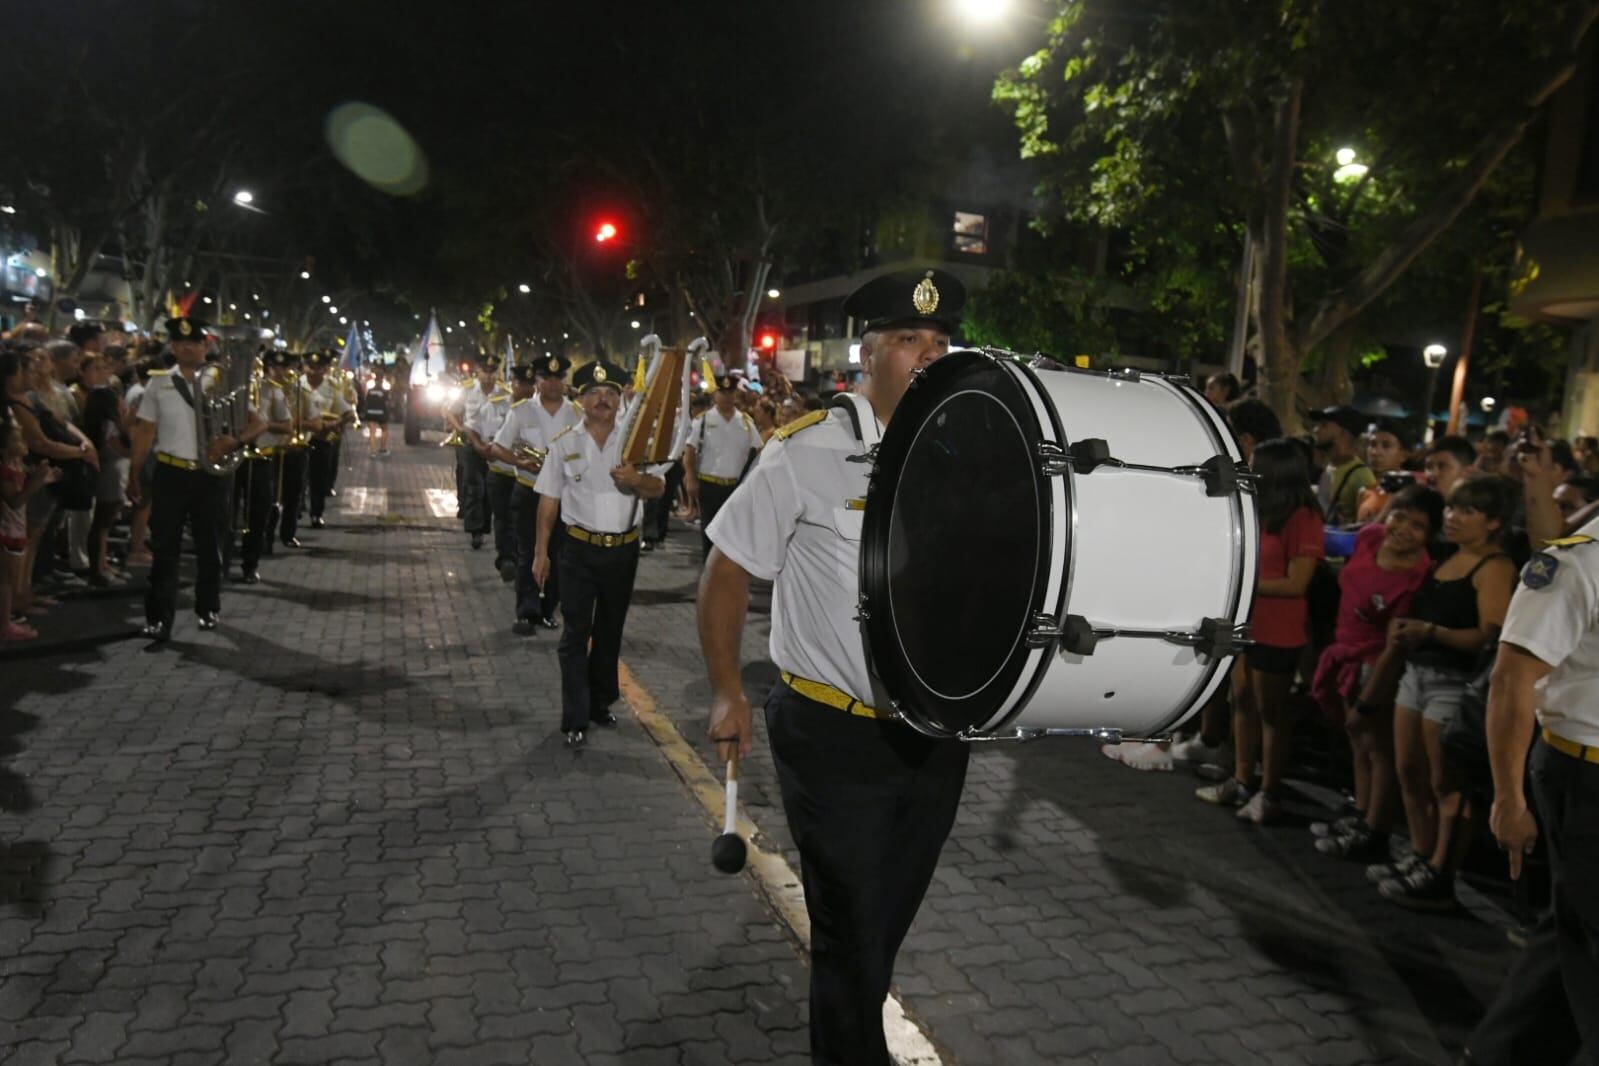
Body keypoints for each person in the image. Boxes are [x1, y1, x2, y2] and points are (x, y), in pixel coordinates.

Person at [699, 268, 970, 1064]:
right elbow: (725, 571)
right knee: (849, 925)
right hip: (831, 733)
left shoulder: (962, 455)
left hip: (933, 734)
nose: (928, 355)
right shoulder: (805, 451)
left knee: (883, 919)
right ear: (867, 351)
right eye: (908, 340)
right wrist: (726, 692)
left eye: (940, 341)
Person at [1479, 513, 1599, 1064]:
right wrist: (1508, 800)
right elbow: (1511, 680)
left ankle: (1501, 1052)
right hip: (1584, 776)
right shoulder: (1580, 560)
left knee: (1570, 935)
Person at [1375, 475, 1518, 909]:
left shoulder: (1494, 567)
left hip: (1453, 683)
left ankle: (1441, 871)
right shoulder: (1446, 555)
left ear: (1494, 522)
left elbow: (1489, 638)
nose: (1453, 518)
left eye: (1467, 511)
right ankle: (1420, 854)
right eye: (1452, 509)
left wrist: (1431, 630)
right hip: (1418, 672)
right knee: (1409, 771)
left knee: (1446, 783)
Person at [533, 359, 666, 747]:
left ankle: (599, 701)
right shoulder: (565, 444)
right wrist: (541, 553)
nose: (603, 400)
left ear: (620, 395)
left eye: (610, 393)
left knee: (610, 630)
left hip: (622, 552)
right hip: (577, 550)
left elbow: (657, 488)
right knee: (576, 632)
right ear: (582, 398)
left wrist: (636, 479)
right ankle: (574, 716)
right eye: (594, 393)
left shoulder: (637, 440)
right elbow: (548, 503)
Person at [1196, 437, 1324, 823]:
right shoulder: (1258, 509)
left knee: (1271, 712)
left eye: (1254, 462)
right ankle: (1240, 777)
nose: (1247, 466)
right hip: (1246, 621)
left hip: (1278, 628)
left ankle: (1269, 791)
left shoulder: (1304, 516)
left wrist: (1244, 581)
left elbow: (1297, 582)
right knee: (1242, 700)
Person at [1311, 486, 1441, 859]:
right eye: (1399, 515)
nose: (1402, 528)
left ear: (1431, 534)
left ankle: (1375, 830)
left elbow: (1396, 642)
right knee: (1358, 742)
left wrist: (1372, 696)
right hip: (1343, 655)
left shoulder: (1420, 576)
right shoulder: (1370, 537)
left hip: (1376, 666)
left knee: (1378, 748)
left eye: (1418, 526)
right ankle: (1360, 813)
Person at [127, 318, 263, 641]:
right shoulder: (158, 384)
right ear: (172, 347)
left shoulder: (222, 380)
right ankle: (159, 618)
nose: (187, 347)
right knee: (164, 550)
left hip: (211, 475)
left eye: (194, 342)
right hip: (170, 472)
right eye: (180, 342)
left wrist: (235, 441)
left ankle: (208, 608)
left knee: (210, 547)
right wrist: (134, 473)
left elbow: (259, 422)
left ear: (205, 346)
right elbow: (145, 431)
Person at [495, 354, 581, 634]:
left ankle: (548, 610)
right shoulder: (521, 411)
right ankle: (527, 611)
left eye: (558, 378)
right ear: (538, 381)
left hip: (564, 495)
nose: (553, 384)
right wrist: (519, 462)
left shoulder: (577, 413)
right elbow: (498, 447)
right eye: (546, 378)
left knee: (559, 554)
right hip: (530, 490)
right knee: (528, 551)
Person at [683, 374, 763, 559]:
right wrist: (691, 478)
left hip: (735, 487)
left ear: (735, 395)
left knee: (732, 532)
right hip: (709, 483)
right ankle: (708, 571)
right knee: (709, 529)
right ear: (715, 394)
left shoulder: (745, 422)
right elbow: (690, 451)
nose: (727, 397)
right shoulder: (702, 420)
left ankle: (725, 574)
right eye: (722, 392)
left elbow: (759, 451)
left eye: (730, 393)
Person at [1, 415, 60, 640]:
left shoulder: (16, 466)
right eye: (17, 439)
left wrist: (43, 478)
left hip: (15, 527)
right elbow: (15, 500)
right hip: (7, 529)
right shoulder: (5, 471)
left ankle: (9, 618)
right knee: (6, 581)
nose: (23, 441)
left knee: (10, 580)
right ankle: (5, 624)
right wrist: (36, 482)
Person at [238, 352, 293, 583]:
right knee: (224, 514)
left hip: (261, 458)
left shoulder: (273, 390)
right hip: (233, 457)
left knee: (258, 514)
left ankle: (250, 564)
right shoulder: (229, 389)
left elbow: (288, 425)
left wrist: (263, 425)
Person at [446, 356, 502, 549]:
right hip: (471, 445)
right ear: (478, 372)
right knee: (474, 486)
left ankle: (484, 526)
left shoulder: (505, 393)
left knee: (490, 489)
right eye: (485, 371)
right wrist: (459, 428)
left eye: (492, 371)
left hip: (495, 447)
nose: (488, 376)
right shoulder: (467, 389)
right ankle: (475, 530)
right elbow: (450, 411)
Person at [471, 364, 519, 580]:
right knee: (503, 518)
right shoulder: (495, 405)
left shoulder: (540, 410)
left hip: (528, 478)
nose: (523, 389)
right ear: (511, 383)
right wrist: (480, 447)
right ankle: (507, 558)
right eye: (519, 383)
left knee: (524, 521)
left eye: (529, 384)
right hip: (500, 472)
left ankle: (522, 558)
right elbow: (472, 426)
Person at [302, 352, 353, 531]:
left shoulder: (331, 387)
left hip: (321, 438)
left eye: (317, 368)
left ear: (325, 370)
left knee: (318, 479)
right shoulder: (296, 385)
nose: (312, 372)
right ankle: (295, 509)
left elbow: (348, 412)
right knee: (297, 479)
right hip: (299, 438)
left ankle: (316, 513)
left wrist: (335, 424)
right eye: (310, 367)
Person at [1310, 406, 1375, 527]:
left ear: (1343, 432)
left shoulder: (1361, 475)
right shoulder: (1329, 467)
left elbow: (1364, 526)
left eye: (1324, 425)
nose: (1316, 430)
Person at [277, 352, 311, 549]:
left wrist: (295, 423)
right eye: (278, 367)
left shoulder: (302, 392)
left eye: (290, 367)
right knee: (267, 499)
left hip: (295, 449)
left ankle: (288, 534)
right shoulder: (262, 390)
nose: (284, 371)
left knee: (292, 495)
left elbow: (315, 421)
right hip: (267, 451)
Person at [362, 367, 391, 455]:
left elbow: (366, 397)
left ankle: (372, 452)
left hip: (370, 411)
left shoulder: (369, 385)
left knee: (372, 431)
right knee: (384, 429)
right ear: (383, 377)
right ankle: (382, 449)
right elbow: (388, 398)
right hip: (381, 411)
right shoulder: (386, 385)